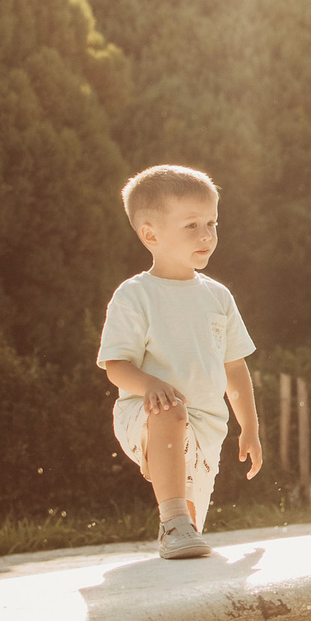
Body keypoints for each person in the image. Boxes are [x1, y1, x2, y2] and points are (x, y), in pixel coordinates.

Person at [97, 165, 263, 558]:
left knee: (190, 530)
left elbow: (234, 367)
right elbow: (115, 364)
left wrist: (250, 427)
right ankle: (170, 516)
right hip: (147, 412)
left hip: (208, 425)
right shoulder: (135, 295)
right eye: (191, 225)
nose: (206, 235)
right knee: (171, 410)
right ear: (151, 235)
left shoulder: (218, 297)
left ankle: (178, 525)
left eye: (212, 223)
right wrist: (150, 384)